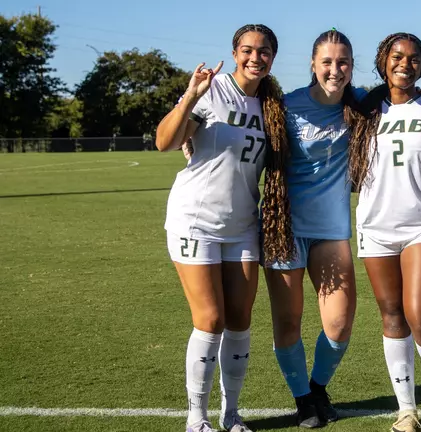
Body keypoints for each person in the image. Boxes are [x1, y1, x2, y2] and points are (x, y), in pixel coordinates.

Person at [155, 23, 293, 432]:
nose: (255, 58)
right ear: (235, 53)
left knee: (239, 319)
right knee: (210, 318)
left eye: (264, 51)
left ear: (272, 56)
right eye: (247, 50)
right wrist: (191, 97)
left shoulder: (271, 105)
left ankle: (231, 414)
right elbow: (164, 141)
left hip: (243, 225)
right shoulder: (212, 90)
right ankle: (196, 416)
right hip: (195, 221)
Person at [348, 32, 421, 432]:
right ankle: (407, 410)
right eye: (397, 56)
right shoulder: (362, 109)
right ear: (383, 60)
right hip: (375, 227)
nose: (405, 63)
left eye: (414, 58)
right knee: (392, 315)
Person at [262, 28, 367, 429]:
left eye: (342, 62)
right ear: (312, 63)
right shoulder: (283, 107)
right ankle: (303, 399)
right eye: (327, 61)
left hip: (331, 228)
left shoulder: (360, 107)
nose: (334, 69)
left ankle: (318, 386)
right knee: (288, 322)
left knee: (339, 323)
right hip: (284, 228)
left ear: (352, 66)